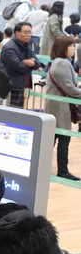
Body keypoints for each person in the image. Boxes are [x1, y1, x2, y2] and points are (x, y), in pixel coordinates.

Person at [44, 36, 81, 180]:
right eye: (70, 46)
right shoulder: (62, 63)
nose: (73, 48)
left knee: (54, 138)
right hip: (59, 106)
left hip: (58, 106)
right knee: (63, 138)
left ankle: (54, 168)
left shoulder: (61, 62)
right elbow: (69, 87)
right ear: (63, 48)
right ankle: (63, 171)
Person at [0, 22, 38, 109]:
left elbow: (38, 63)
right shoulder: (9, 47)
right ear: (17, 33)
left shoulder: (27, 46)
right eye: (25, 32)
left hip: (23, 86)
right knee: (11, 114)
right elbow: (20, 67)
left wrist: (27, 62)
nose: (28, 35)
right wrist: (29, 64)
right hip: (12, 87)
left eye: (29, 32)